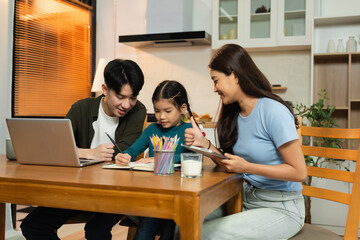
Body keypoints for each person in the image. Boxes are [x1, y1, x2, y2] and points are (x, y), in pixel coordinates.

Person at [184, 44, 307, 240]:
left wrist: (247, 167)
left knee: (205, 235)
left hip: (282, 208)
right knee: (183, 227)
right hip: (244, 199)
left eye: (216, 81)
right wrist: (204, 144)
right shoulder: (235, 114)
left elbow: (299, 172)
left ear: (234, 75)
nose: (214, 89)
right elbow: (233, 164)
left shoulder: (273, 111)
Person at [20, 59, 147, 240]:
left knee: (96, 230)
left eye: (132, 97)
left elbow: (122, 153)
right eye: (120, 97)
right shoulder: (81, 108)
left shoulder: (138, 111)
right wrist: (89, 153)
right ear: (105, 89)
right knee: (32, 226)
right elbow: (56, 146)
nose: (127, 105)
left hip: (116, 192)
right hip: (77, 191)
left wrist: (76, 151)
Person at [115, 80, 193, 240]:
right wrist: (125, 155)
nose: (161, 116)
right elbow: (133, 149)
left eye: (168, 111)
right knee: (145, 231)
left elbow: (189, 157)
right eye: (157, 111)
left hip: (178, 197)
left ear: (182, 108)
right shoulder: (152, 130)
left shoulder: (189, 130)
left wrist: (159, 159)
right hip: (153, 196)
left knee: (168, 231)